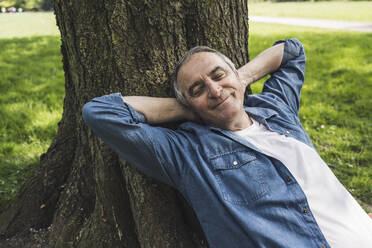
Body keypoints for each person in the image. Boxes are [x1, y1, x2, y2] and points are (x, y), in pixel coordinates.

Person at [82, 39, 372, 247]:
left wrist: (239, 80)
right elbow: (101, 113)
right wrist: (190, 107)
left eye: (218, 75)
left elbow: (292, 51)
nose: (213, 89)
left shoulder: (276, 109)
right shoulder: (187, 154)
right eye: (197, 89)